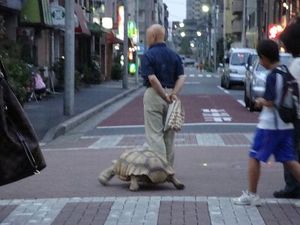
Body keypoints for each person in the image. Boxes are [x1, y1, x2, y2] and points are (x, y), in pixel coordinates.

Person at [233, 39, 300, 207]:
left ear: (264, 57)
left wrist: (260, 101)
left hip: (270, 125)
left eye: (260, 58)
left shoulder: (272, 76)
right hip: (286, 125)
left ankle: (252, 194)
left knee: (254, 156)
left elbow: (271, 100)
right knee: (290, 160)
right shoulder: (285, 71)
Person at [141, 24, 186, 166]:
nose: (147, 40)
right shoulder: (174, 55)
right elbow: (182, 77)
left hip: (155, 94)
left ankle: (159, 169)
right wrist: (172, 94)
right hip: (171, 95)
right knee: (169, 136)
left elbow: (152, 79)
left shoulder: (148, 55)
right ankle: (169, 169)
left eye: (148, 37)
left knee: (155, 135)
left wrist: (162, 95)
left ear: (153, 36)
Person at [273, 17, 300, 199]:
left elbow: (289, 94)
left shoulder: (295, 65)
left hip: (297, 117)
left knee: (292, 151)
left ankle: (292, 186)